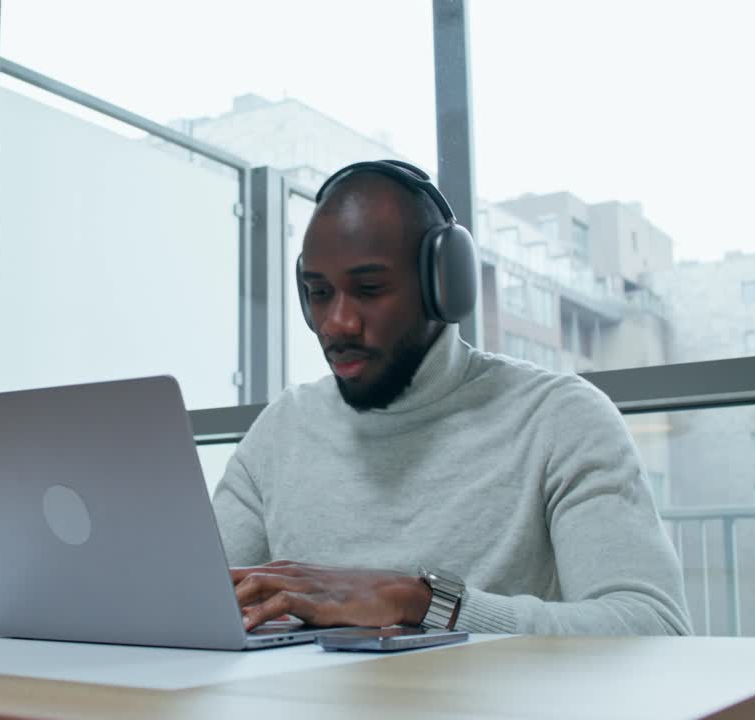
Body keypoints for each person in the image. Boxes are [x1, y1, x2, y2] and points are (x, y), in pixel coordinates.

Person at [212, 160, 692, 636]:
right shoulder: (284, 429)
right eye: (318, 292)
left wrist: (422, 603)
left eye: (370, 288)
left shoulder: (559, 418)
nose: (336, 323)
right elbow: (193, 601)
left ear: (444, 285)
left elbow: (656, 629)